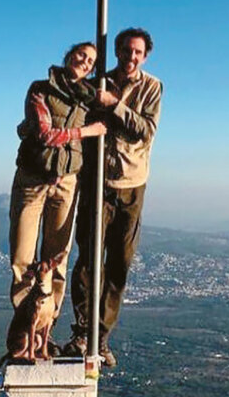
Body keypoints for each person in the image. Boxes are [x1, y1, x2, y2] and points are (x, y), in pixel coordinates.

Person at [65, 27, 162, 366]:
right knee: (89, 259)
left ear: (144, 56)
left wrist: (114, 105)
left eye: (137, 52)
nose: (131, 57)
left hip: (132, 184)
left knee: (119, 264)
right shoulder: (98, 83)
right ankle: (82, 332)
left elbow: (145, 131)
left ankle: (101, 335)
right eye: (125, 50)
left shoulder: (152, 88)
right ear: (117, 52)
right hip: (97, 182)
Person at [8, 43, 107, 339]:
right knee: (23, 258)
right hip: (33, 179)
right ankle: (26, 326)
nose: (85, 62)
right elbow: (44, 133)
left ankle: (44, 330)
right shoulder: (40, 89)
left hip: (67, 180)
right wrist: (86, 132)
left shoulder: (89, 96)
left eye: (91, 61)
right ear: (68, 55)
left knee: (57, 258)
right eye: (81, 55)